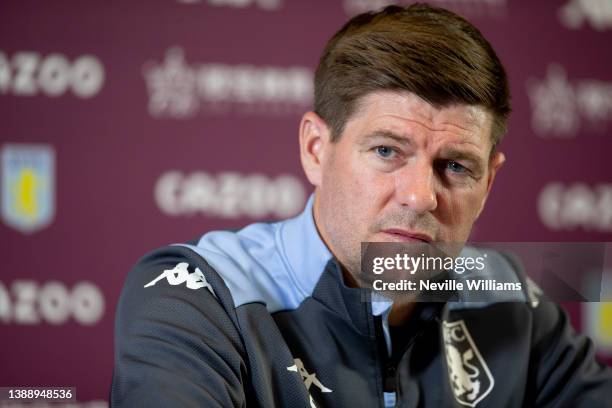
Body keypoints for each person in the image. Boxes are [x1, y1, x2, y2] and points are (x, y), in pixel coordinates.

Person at [110, 4, 612, 407]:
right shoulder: (200, 294)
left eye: (456, 166)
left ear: (490, 181)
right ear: (315, 150)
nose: (420, 195)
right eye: (387, 152)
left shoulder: (507, 297)